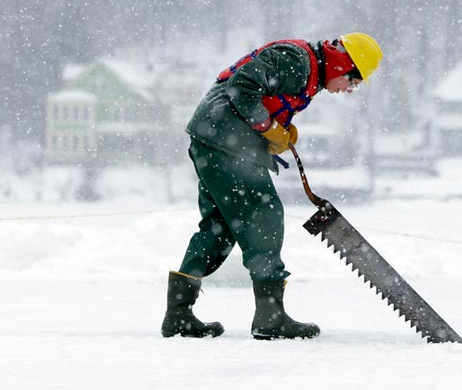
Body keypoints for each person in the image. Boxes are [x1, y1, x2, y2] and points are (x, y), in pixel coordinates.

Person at [161, 32, 383, 340]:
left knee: (220, 227)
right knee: (263, 215)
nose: (350, 89)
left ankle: (179, 315)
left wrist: (275, 129)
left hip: (214, 137)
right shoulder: (296, 60)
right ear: (342, 64)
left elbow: (255, 96)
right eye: (353, 81)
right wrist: (268, 127)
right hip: (227, 142)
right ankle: (270, 316)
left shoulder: (307, 70)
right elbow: (242, 86)